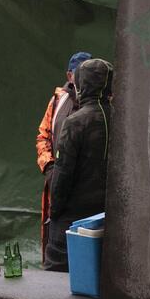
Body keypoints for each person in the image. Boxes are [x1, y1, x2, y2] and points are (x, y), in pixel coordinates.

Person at [43, 58, 114, 272]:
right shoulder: (122, 119)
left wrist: (55, 212)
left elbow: (63, 174)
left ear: (81, 85)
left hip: (74, 220)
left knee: (57, 275)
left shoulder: (75, 122)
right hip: (107, 216)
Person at [35, 51, 91, 256]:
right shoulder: (58, 101)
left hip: (87, 187)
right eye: (79, 73)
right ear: (70, 75)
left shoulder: (100, 105)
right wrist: (49, 167)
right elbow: (43, 136)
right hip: (58, 183)